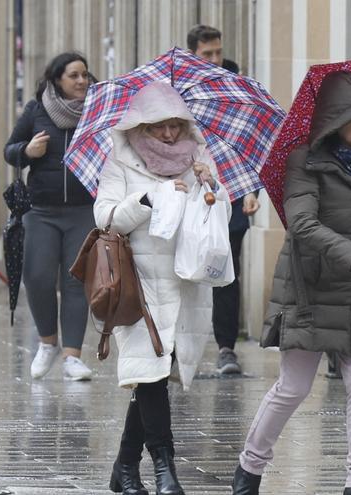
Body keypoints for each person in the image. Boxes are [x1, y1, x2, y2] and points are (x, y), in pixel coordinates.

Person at [230, 71, 351, 495]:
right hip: (311, 289)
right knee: (293, 388)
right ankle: (249, 467)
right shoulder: (303, 161)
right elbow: (302, 224)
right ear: (333, 118)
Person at [95, 81, 230, 495]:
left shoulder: (199, 154)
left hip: (185, 282)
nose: (170, 134)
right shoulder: (120, 159)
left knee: (154, 372)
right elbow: (105, 218)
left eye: (176, 125)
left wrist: (212, 187)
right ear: (140, 126)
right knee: (150, 373)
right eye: (159, 126)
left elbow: (217, 213)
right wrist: (151, 197)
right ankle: (165, 470)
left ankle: (123, 468)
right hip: (137, 284)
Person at [3, 52, 96, 381]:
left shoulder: (97, 110)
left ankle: (72, 355)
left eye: (85, 75)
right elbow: (10, 149)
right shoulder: (37, 108)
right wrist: (27, 152)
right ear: (57, 79)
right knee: (38, 277)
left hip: (83, 210)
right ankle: (47, 343)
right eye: (74, 76)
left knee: (76, 281)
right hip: (41, 210)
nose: (82, 81)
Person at [187, 23, 260, 374]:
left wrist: (251, 190)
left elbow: (250, 141)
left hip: (230, 192)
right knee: (185, 271)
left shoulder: (236, 85)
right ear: (194, 55)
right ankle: (174, 348)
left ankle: (227, 347)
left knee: (227, 271)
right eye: (207, 54)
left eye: (218, 51)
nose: (215, 59)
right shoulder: (178, 88)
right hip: (189, 194)